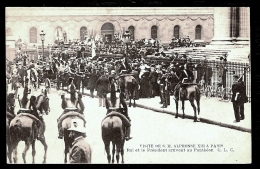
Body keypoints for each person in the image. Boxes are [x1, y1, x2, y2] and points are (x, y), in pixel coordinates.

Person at [105, 77, 132, 141]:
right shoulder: (119, 94)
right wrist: (126, 113)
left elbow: (106, 106)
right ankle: (127, 136)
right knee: (128, 123)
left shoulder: (107, 95)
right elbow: (125, 105)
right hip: (118, 111)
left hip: (109, 112)